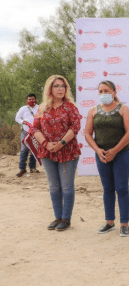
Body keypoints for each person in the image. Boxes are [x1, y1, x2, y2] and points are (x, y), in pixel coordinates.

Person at [31, 75, 82, 231]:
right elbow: (35, 129)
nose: (61, 89)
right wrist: (46, 144)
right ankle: (57, 217)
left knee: (66, 186)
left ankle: (66, 219)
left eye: (63, 86)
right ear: (50, 89)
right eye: (57, 86)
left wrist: (61, 144)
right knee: (54, 187)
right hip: (47, 152)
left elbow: (75, 127)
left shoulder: (70, 107)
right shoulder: (42, 108)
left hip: (67, 151)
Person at [84, 80, 129, 237]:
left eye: (106, 91)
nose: (103, 94)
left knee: (122, 188)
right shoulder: (93, 111)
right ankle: (109, 222)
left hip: (121, 154)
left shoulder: (123, 109)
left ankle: (124, 224)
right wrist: (98, 150)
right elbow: (87, 133)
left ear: (114, 92)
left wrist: (114, 150)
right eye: (100, 91)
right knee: (107, 188)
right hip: (102, 156)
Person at [15, 93, 40, 177]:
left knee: (34, 150)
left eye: (33, 99)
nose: (31, 101)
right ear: (27, 101)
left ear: (36, 100)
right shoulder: (23, 109)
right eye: (29, 99)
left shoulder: (39, 108)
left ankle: (32, 167)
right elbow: (17, 118)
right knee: (24, 150)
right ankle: (22, 169)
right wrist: (23, 122)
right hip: (25, 132)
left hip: (36, 132)